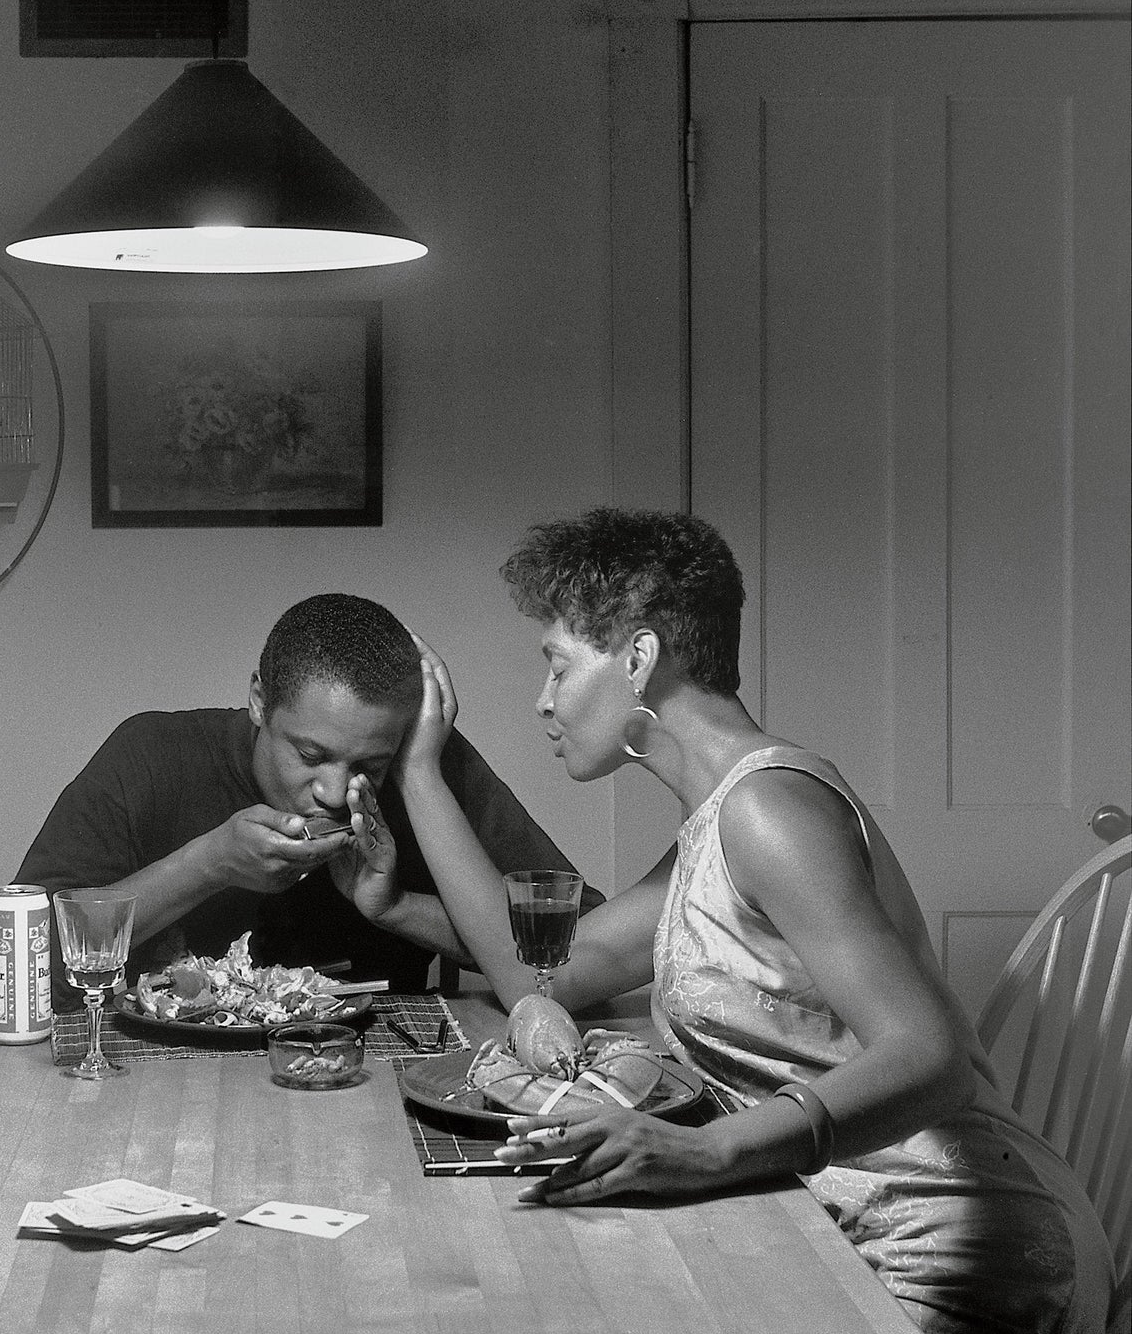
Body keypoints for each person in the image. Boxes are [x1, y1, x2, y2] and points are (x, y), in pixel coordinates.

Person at [349, 508, 1113, 1334]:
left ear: (638, 659)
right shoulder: (714, 827)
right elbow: (545, 974)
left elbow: (931, 1057)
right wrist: (415, 799)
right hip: (833, 1234)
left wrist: (707, 1149)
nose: (543, 703)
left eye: (558, 668)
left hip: (960, 1255)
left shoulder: (769, 810)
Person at [0, 593, 602, 1009]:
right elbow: (6, 964)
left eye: (370, 767)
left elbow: (575, 956)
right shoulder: (153, 754)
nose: (334, 791)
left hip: (373, 1089)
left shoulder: (426, 768)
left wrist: (398, 908)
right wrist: (209, 863)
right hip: (161, 1087)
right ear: (258, 702)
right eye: (309, 756)